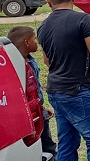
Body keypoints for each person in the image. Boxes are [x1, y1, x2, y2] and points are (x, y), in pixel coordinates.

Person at [36, 0, 90, 160]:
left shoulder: (43, 26)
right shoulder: (83, 20)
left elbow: (47, 60)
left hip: (56, 90)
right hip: (80, 89)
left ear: (48, 1)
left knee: (67, 141)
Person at [8, 26, 58, 159]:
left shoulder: (31, 60)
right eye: (34, 39)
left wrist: (41, 107)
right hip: (26, 115)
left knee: (48, 145)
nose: (38, 42)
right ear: (26, 42)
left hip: (38, 111)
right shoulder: (14, 65)